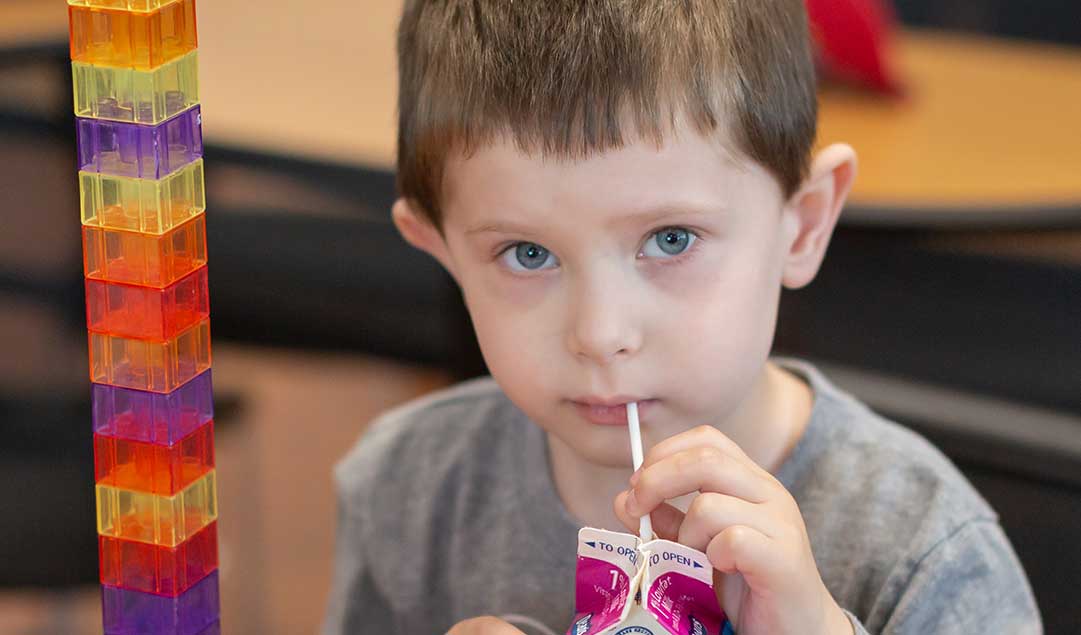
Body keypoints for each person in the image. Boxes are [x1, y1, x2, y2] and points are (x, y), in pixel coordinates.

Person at [323, 1, 1042, 633]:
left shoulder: (926, 553)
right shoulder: (407, 489)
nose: (601, 335)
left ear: (802, 225)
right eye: (527, 253)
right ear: (443, 251)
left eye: (670, 240)